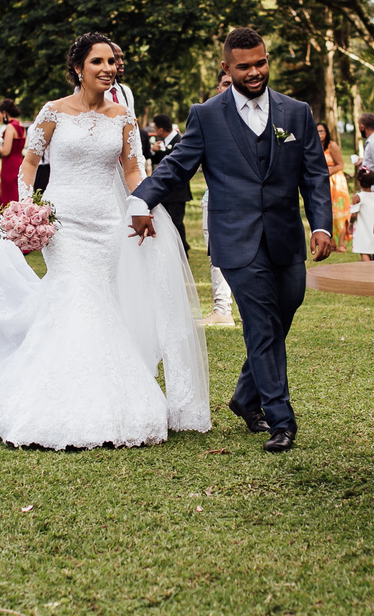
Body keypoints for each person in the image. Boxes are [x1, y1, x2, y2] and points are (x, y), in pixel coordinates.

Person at [0, 32, 210, 449]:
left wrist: (141, 205)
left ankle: (115, 401)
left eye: (112, 62)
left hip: (109, 223)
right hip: (64, 221)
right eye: (98, 62)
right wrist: (29, 209)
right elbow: (28, 164)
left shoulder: (123, 118)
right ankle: (54, 402)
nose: (108, 69)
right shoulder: (53, 112)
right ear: (78, 68)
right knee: (75, 296)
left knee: (103, 301)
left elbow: (132, 171)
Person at [130, 27, 333, 453]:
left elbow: (314, 174)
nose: (256, 71)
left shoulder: (295, 112)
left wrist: (321, 225)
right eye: (245, 66)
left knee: (283, 313)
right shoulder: (207, 115)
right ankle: (281, 420)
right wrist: (139, 200)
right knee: (261, 325)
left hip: (285, 238)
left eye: (261, 62)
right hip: (236, 239)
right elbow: (177, 167)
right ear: (226, 68)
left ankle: (245, 397)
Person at [200, 71, 236, 327]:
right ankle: (222, 309)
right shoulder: (207, 117)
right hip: (213, 197)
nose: (230, 88)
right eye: (225, 84)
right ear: (217, 88)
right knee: (217, 255)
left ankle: (244, 308)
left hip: (252, 200)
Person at [149, 114, 192, 254]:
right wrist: (153, 151)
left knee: (176, 222)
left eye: (155, 129)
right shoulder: (162, 141)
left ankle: (182, 250)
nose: (155, 132)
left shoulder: (179, 141)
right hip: (165, 191)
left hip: (178, 191)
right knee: (166, 222)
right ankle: (171, 250)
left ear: (161, 129)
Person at [317, 121, 351, 251]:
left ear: (326, 133)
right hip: (323, 183)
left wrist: (327, 172)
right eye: (317, 131)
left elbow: (340, 165)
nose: (319, 134)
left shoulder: (332, 146)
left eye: (322, 131)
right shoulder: (314, 146)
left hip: (336, 182)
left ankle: (341, 243)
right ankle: (331, 243)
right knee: (327, 213)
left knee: (340, 212)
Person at [0, 99, 26, 204]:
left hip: (9, 165)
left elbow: (5, 151)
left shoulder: (10, 127)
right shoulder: (20, 125)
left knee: (10, 195)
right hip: (19, 161)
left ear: (4, 113)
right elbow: (17, 142)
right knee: (18, 192)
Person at [350, 166, 374, 261]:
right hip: (373, 227)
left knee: (364, 250)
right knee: (370, 248)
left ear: (359, 180)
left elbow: (354, 214)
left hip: (362, 227)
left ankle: (368, 269)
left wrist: (350, 223)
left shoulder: (357, 197)